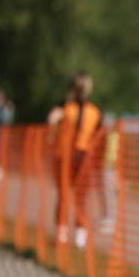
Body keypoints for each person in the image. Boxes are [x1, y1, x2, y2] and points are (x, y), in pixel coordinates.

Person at [47, 73, 101, 250]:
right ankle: (78, 235)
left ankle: (65, 234)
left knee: (67, 195)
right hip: (81, 156)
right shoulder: (94, 111)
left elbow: (51, 121)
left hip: (68, 156)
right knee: (78, 196)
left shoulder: (65, 108)